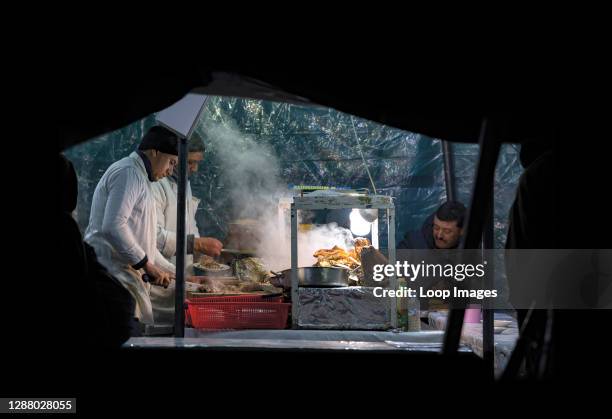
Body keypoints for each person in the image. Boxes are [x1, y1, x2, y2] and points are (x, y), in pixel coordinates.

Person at [84, 126, 179, 331]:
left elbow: (144, 242)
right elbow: (113, 226)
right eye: (171, 162)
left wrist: (177, 273)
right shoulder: (128, 172)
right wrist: (146, 265)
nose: (171, 171)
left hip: (123, 282)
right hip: (111, 280)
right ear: (154, 152)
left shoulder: (141, 178)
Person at [149, 133, 223, 324]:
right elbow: (153, 236)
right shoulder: (155, 184)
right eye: (190, 162)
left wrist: (202, 255)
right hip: (159, 284)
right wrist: (196, 244)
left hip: (184, 280)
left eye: (197, 163)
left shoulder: (184, 182)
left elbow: (189, 222)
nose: (194, 169)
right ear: (175, 156)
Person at [398, 201, 466, 250]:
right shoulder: (414, 244)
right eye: (436, 228)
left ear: (461, 231)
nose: (439, 235)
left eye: (447, 231)